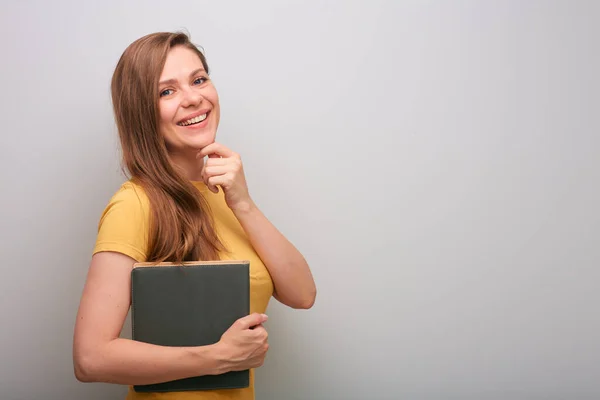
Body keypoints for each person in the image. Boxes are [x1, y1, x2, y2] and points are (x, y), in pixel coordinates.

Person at [72, 31, 317, 400]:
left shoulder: (225, 194)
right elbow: (90, 359)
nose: (193, 98)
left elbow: (302, 294)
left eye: (199, 79)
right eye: (166, 91)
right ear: (141, 111)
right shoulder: (135, 204)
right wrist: (216, 358)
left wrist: (244, 203)